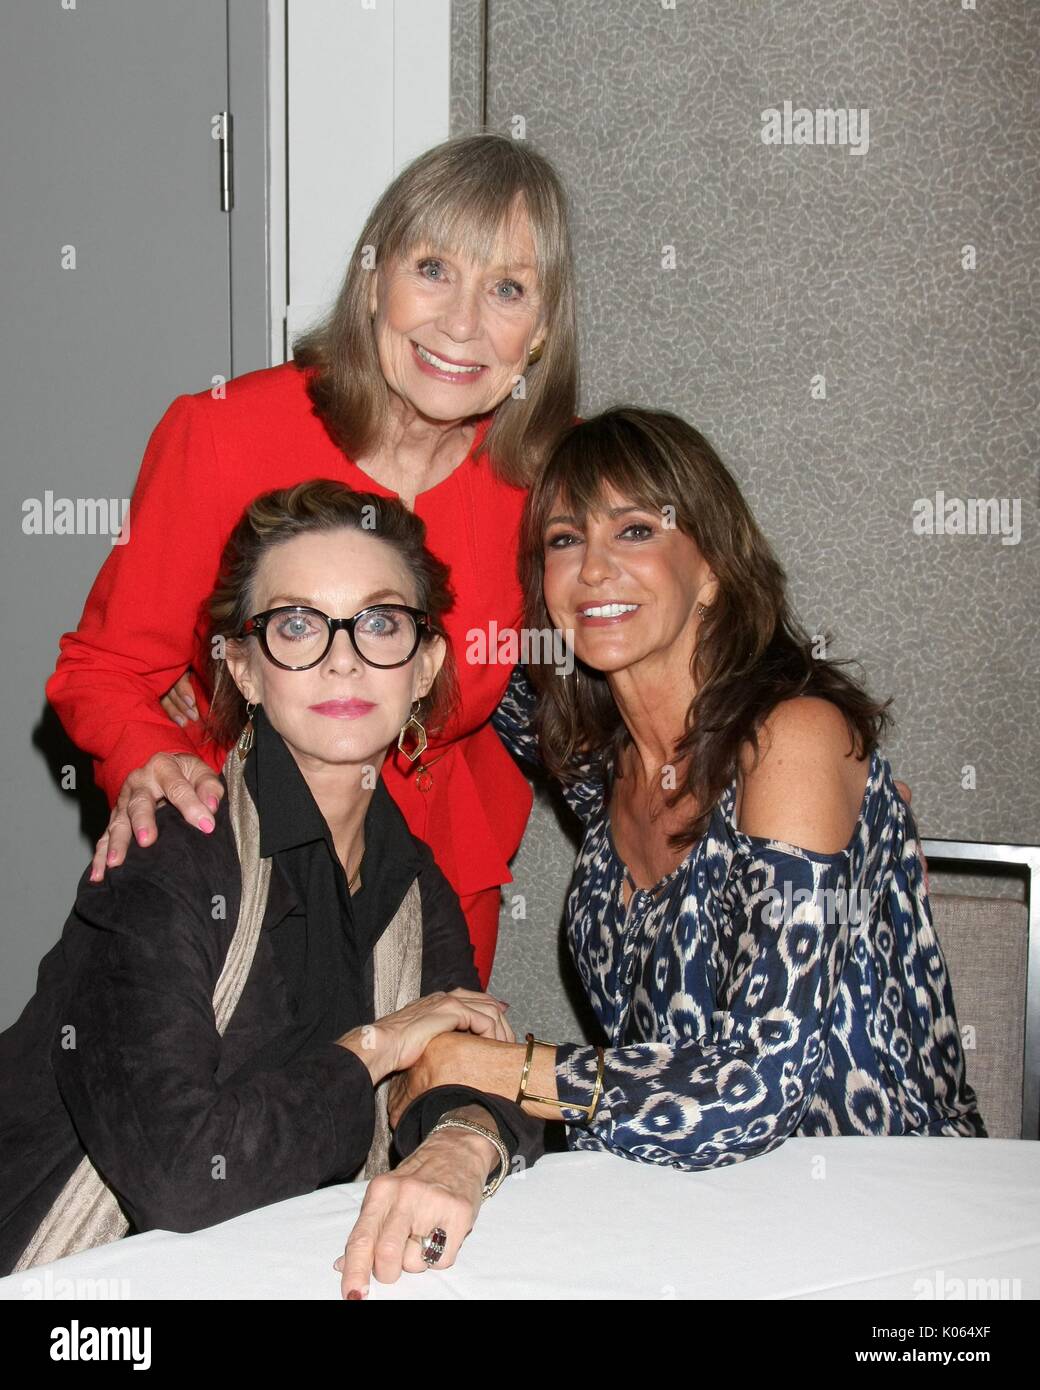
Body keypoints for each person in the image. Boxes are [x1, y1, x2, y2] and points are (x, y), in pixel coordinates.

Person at [45, 132, 581, 987]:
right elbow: (102, 668)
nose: (462, 322)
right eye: (433, 269)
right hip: (238, 873)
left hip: (433, 893)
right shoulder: (222, 434)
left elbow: (647, 654)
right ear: (374, 282)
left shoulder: (555, 485)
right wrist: (152, 756)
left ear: (542, 332)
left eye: (508, 289)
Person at [389, 406, 986, 1162]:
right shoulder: (598, 760)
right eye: (564, 539)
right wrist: (196, 708)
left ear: (711, 566)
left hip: (879, 1209)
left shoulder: (793, 739)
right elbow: (408, 673)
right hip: (686, 1205)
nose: (594, 568)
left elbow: (758, 1091)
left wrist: (497, 1068)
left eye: (635, 530)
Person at [0, 483, 544, 1297]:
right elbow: (185, 1177)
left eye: (381, 623)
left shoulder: (414, 881)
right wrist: (377, 1047)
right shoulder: (174, 853)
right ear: (244, 670)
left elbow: (476, 1059)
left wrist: (462, 1142)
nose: (343, 658)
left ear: (426, 665)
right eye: (296, 625)